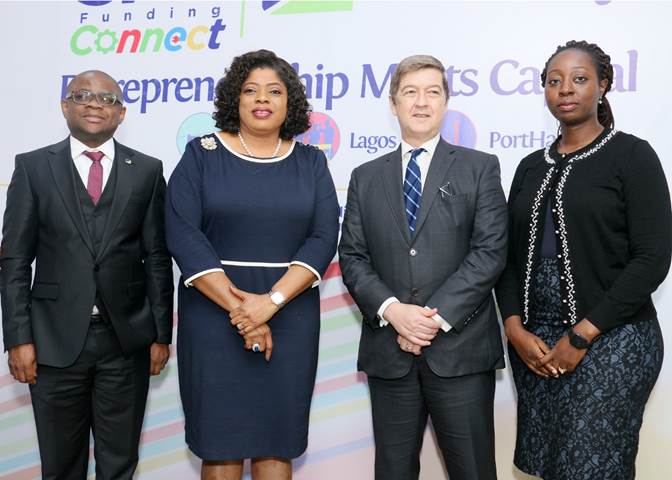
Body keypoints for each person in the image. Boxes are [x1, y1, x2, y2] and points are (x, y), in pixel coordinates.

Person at [495, 40, 671, 480]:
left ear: (603, 85)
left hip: (613, 338)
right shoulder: (530, 166)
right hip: (535, 345)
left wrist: (581, 335)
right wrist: (514, 328)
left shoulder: (632, 155)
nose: (566, 89)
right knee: (550, 466)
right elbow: (508, 258)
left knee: (592, 466)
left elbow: (652, 258)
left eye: (579, 79)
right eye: (554, 81)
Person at [165, 49, 339, 480]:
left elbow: (323, 238)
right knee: (220, 444)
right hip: (213, 316)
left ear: (289, 103)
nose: (262, 99)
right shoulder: (201, 155)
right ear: (235, 99)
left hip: (290, 314)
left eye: (274, 91)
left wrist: (270, 303)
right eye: (250, 90)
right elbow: (183, 234)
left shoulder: (311, 161)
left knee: (276, 440)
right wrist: (244, 311)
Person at [339, 54, 507, 480]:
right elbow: (353, 256)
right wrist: (394, 311)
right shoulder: (364, 176)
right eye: (410, 92)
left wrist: (430, 320)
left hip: (461, 352)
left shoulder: (479, 167)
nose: (421, 102)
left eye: (433, 92)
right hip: (389, 354)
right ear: (393, 103)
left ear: (446, 102)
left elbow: (489, 252)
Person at [0, 70, 174, 479]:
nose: (95, 103)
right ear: (65, 106)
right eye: (82, 95)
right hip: (52, 343)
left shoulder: (147, 170)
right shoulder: (32, 167)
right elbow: (15, 261)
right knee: (61, 466)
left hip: (127, 342)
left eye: (107, 98)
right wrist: (18, 339)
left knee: (119, 464)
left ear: (121, 113)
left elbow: (157, 257)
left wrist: (161, 334)